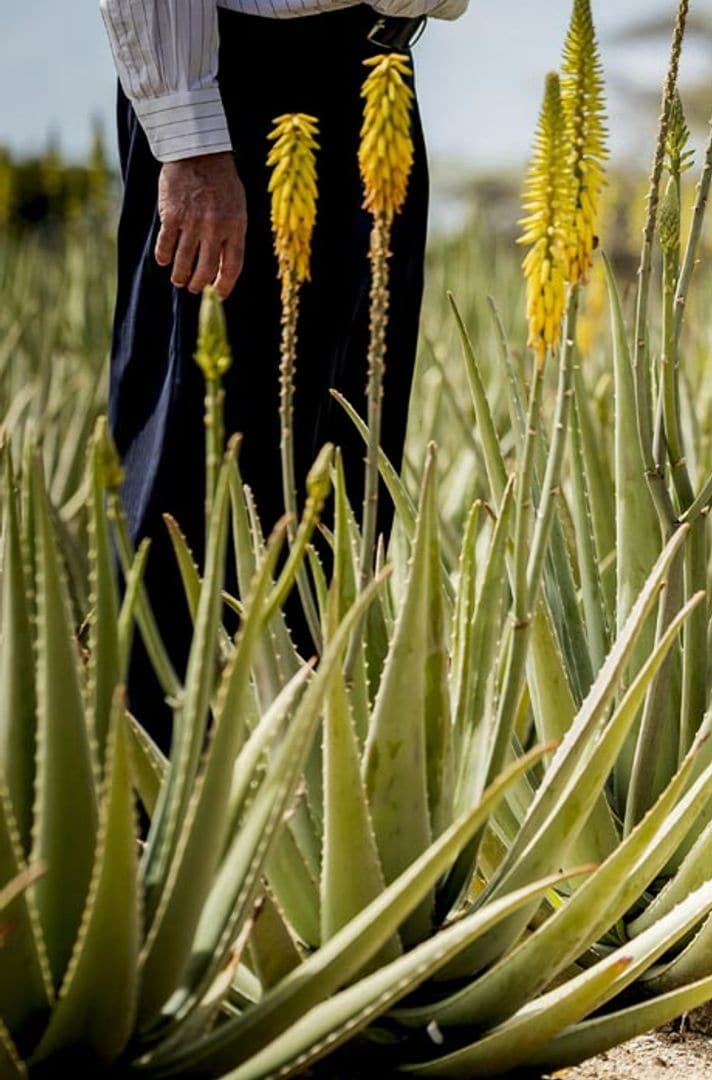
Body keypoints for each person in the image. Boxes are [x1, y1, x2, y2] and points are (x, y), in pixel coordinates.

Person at [99, 1, 461, 747]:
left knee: (345, 463)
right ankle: (154, 801)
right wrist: (190, 140)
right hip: (238, 91)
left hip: (379, 75)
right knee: (196, 473)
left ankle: (303, 793)